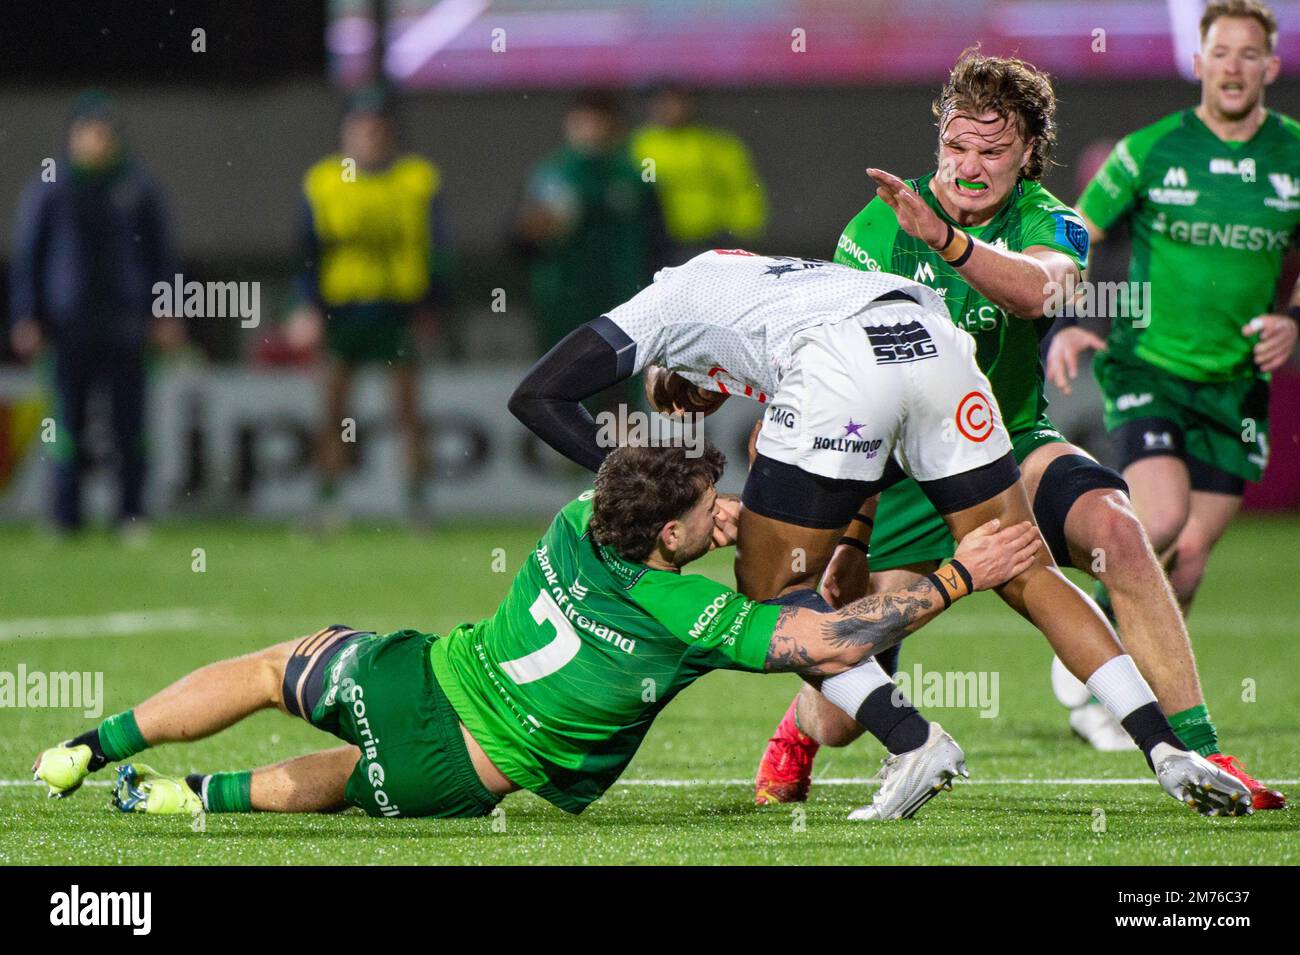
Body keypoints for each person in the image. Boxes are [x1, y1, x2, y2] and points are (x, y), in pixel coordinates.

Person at [508, 249, 1252, 819]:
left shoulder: (659, 307)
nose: (706, 401)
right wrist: (849, 540)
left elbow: (537, 392)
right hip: (932, 341)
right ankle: (1166, 749)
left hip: (845, 362)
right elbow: (858, 439)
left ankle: (914, 742)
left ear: (663, 363)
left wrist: (629, 475)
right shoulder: (754, 280)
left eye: (691, 395)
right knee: (1025, 565)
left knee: (769, 592)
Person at [753, 46, 1284, 810]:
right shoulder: (875, 229)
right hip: (903, 474)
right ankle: (797, 733)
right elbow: (850, 393)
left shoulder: (1052, 221)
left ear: (1029, 153)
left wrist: (948, 243)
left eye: (992, 151)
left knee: (1119, 530)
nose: (968, 167)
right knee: (838, 716)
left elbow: (1038, 291)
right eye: (955, 147)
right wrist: (853, 535)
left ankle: (1202, 754)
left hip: (1010, 446)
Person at [33, 444, 1043, 819]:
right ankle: (185, 799)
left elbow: (638, 490)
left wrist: (697, 512)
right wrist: (958, 573)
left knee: (269, 669)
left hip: (413, 679)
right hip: (462, 777)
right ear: (670, 536)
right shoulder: (688, 614)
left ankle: (90, 747)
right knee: (345, 785)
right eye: (707, 504)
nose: (721, 507)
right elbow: (827, 643)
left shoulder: (574, 518)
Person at [1049, 0, 1298, 811]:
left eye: (1247, 54)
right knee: (1153, 523)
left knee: (1186, 560)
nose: (1232, 66)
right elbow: (1075, 233)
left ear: (1271, 65)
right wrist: (1073, 320)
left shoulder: (1294, 158)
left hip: (1237, 391)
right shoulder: (1150, 150)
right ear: (1199, 62)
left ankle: (1109, 682)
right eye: (1218, 51)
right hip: (1148, 369)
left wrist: (1293, 320)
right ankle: (1084, 635)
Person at [8, 90, 180, 538]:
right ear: (73, 136)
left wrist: (165, 313)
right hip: (68, 327)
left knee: (131, 425)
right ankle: (65, 516)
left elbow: (161, 257)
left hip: (126, 325)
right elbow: (29, 257)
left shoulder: (138, 187)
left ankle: (132, 513)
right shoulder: (51, 187)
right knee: (66, 425)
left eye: (103, 132)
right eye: (88, 132)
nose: (96, 141)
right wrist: (27, 316)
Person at [288, 85, 451, 527]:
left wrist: (434, 306)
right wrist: (305, 306)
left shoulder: (417, 179)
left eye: (377, 129)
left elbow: (436, 248)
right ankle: (328, 502)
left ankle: (417, 503)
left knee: (408, 411)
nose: (369, 138)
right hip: (340, 310)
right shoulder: (323, 182)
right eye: (360, 129)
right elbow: (307, 250)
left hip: (398, 309)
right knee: (333, 409)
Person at [515, 91, 665, 357]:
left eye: (596, 122)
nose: (589, 131)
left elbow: (658, 237)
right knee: (563, 378)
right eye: (580, 122)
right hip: (564, 299)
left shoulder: (636, 175)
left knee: (622, 379)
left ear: (616, 127)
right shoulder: (553, 173)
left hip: (624, 298)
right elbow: (525, 238)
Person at [629, 86, 768, 260]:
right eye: (661, 103)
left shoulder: (715, 143)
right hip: (661, 237)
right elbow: (642, 186)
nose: (668, 108)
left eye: (675, 102)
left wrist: (745, 226)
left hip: (712, 234)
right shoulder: (642, 145)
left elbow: (741, 186)